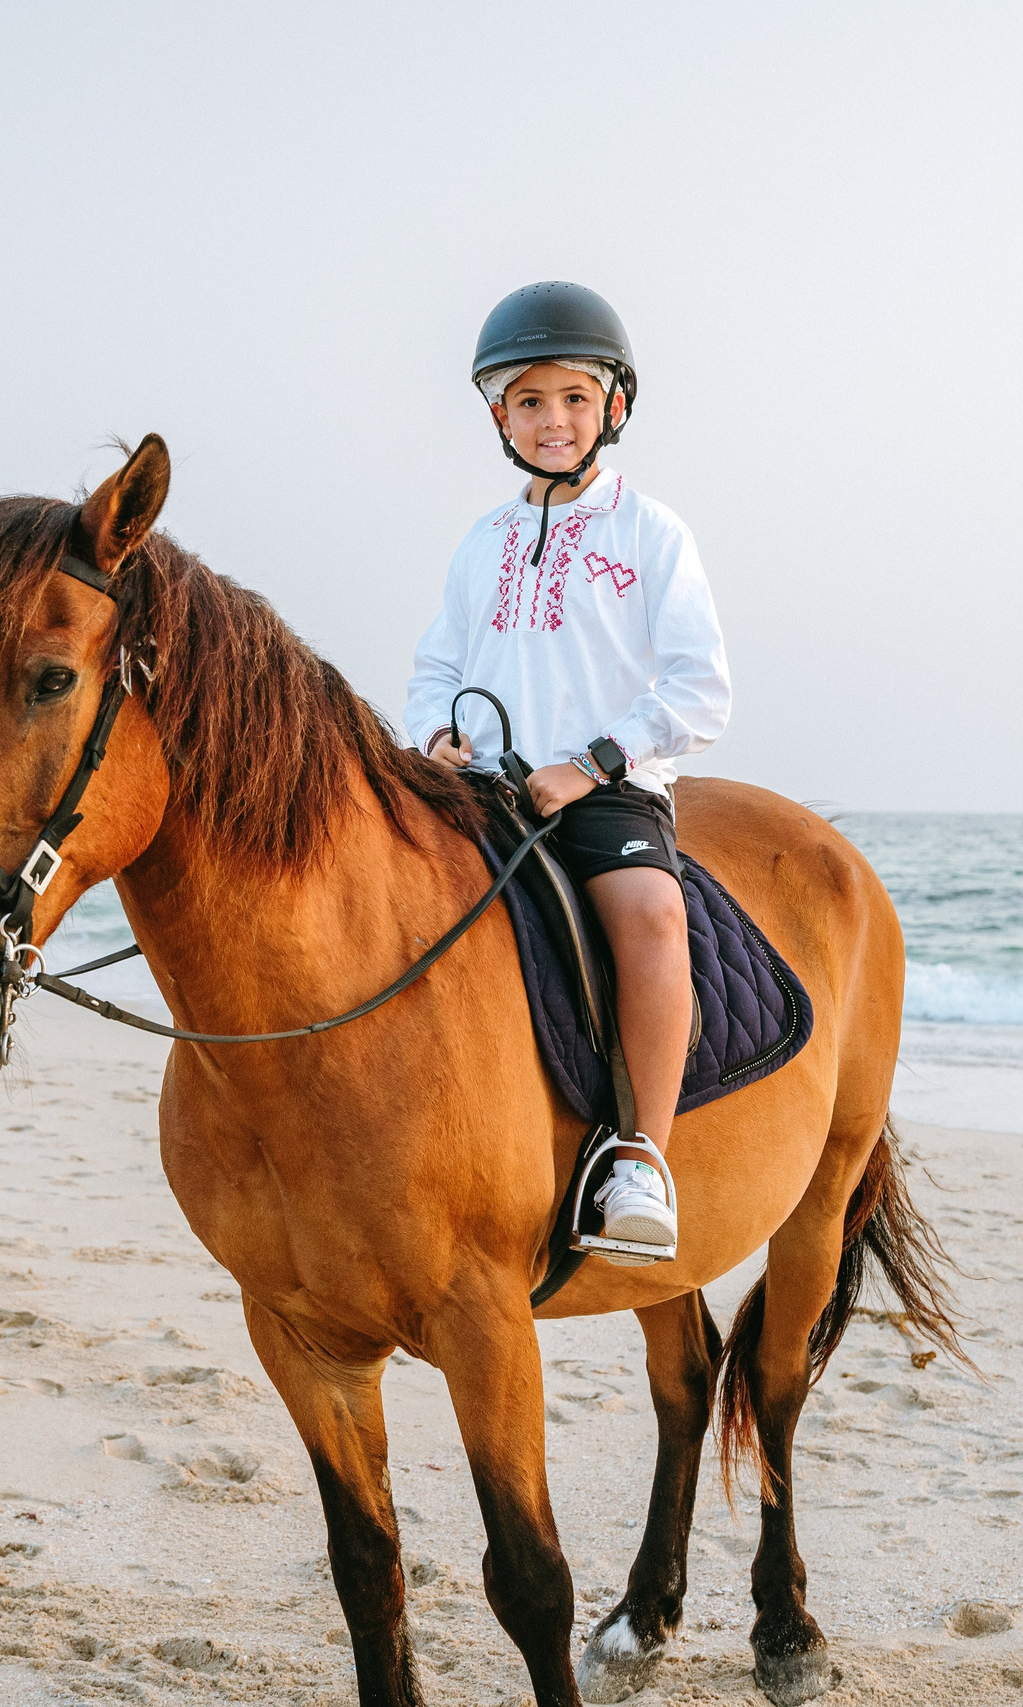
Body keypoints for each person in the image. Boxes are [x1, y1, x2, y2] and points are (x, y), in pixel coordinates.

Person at [408, 281, 732, 1264]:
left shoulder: (651, 532)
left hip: (607, 791)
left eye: (574, 399)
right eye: (530, 401)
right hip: (481, 791)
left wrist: (591, 764)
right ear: (500, 418)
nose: (554, 420)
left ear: (613, 406)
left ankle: (641, 1159)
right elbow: (436, 668)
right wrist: (436, 735)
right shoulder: (483, 543)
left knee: (653, 916)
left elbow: (700, 688)